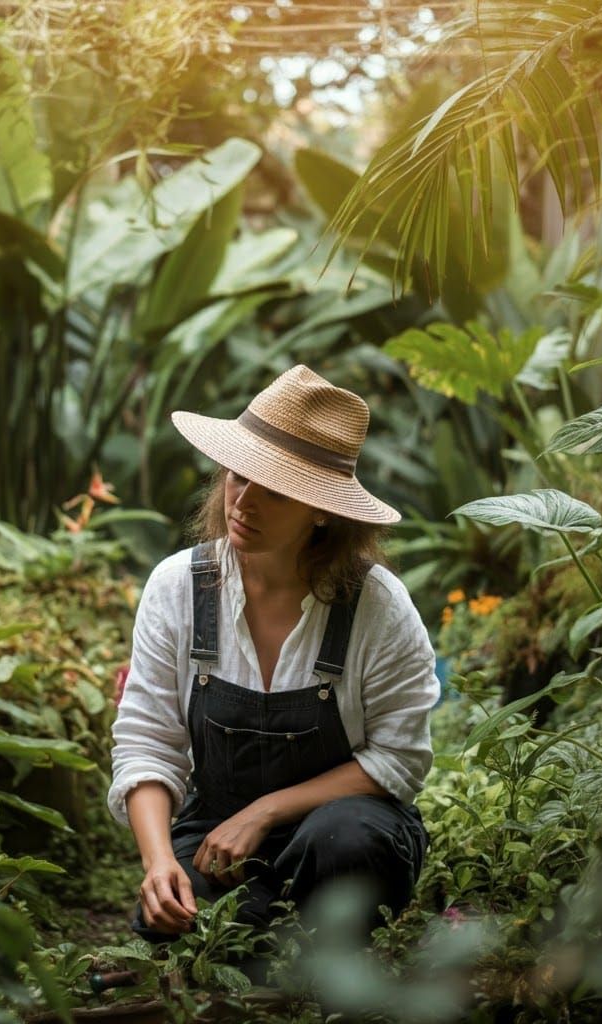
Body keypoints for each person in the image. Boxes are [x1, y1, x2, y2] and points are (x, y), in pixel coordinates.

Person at [108, 365, 439, 942]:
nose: (245, 502)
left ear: (322, 510)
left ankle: (319, 950)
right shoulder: (177, 587)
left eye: (275, 490)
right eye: (238, 476)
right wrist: (159, 863)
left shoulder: (377, 606)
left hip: (345, 833)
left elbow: (399, 759)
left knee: (346, 841)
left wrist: (266, 810)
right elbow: (147, 743)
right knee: (173, 923)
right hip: (218, 838)